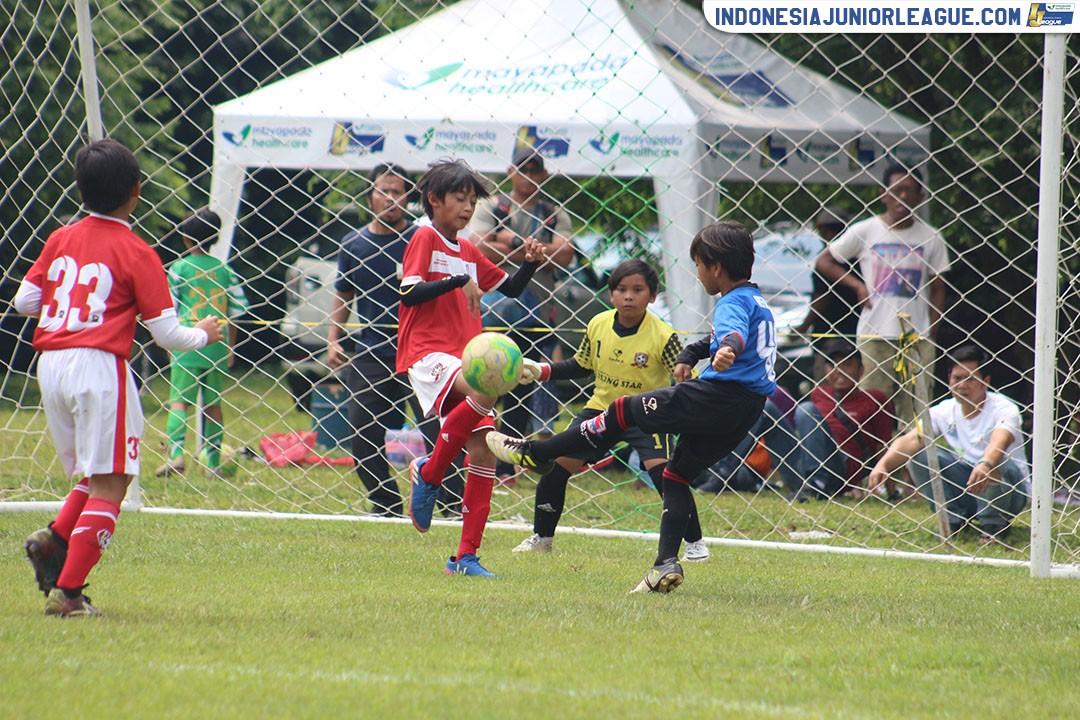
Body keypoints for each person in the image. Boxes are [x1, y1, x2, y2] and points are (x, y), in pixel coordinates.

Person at [488, 220, 776, 593]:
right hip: (748, 409)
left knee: (625, 409)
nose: (698, 273)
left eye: (699, 265)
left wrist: (727, 351)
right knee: (675, 477)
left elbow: (732, 334)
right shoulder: (757, 300)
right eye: (621, 289)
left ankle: (535, 450)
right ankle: (664, 565)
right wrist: (695, 352)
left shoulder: (729, 304)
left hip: (717, 396)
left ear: (715, 267)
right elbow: (723, 336)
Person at [16, 139, 224, 617]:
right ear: (136, 190)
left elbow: (27, 302)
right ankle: (69, 595)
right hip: (99, 367)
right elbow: (168, 335)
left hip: (51, 365)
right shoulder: (137, 251)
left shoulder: (60, 238)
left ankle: (55, 540)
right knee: (113, 483)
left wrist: (67, 307)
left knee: (92, 474)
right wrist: (206, 334)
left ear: (80, 188)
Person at [399, 158, 546, 578]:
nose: (467, 208)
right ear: (434, 201)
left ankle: (465, 558)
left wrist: (531, 263)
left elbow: (511, 289)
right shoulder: (424, 237)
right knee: (487, 387)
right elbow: (409, 294)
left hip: (463, 354)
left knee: (483, 453)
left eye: (471, 200)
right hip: (429, 354)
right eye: (459, 199)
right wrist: (457, 282)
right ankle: (429, 473)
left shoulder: (467, 249)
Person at [511, 259, 710, 562]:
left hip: (647, 415)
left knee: (668, 478)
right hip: (602, 411)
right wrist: (541, 370)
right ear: (611, 294)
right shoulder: (598, 325)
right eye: (621, 289)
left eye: (638, 290)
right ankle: (542, 538)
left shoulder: (663, 335)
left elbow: (683, 377)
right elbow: (580, 365)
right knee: (557, 466)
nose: (629, 296)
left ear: (653, 296)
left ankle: (695, 544)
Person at [326, 164, 460, 517]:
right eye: (383, 191)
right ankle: (385, 503)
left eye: (398, 191)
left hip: (423, 354)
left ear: (409, 198)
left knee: (442, 432)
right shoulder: (353, 244)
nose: (390, 198)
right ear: (370, 196)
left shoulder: (425, 238)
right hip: (371, 351)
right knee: (362, 434)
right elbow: (344, 294)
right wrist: (333, 339)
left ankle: (448, 503)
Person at [815, 163, 950, 426]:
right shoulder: (867, 230)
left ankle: (910, 466)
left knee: (914, 411)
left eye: (910, 191)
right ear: (883, 194)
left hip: (916, 339)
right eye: (896, 190)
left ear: (921, 197)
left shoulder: (931, 237)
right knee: (872, 408)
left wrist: (931, 330)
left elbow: (937, 287)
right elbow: (825, 260)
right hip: (874, 334)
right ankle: (874, 466)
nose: (903, 197)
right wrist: (857, 285)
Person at [470, 149, 574, 478]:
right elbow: (477, 245)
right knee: (483, 384)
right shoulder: (492, 205)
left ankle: (507, 467)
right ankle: (476, 458)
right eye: (523, 169)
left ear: (543, 175)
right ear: (511, 170)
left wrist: (505, 241)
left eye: (535, 170)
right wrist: (530, 249)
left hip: (538, 314)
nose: (529, 176)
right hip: (493, 312)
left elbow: (565, 254)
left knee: (521, 386)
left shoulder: (554, 213)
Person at [867, 345, 1028, 543]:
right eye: (957, 379)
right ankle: (953, 519)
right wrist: (884, 465)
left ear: (985, 382)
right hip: (968, 484)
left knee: (997, 461)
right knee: (918, 456)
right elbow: (912, 439)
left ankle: (993, 524)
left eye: (970, 379)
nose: (962, 385)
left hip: (1008, 490)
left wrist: (985, 463)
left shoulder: (1004, 408)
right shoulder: (943, 410)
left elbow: (1000, 441)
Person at [156, 209, 248, 478]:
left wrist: (170, 341)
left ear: (185, 238)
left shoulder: (179, 268)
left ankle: (176, 456)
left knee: (179, 402)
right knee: (213, 404)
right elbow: (237, 312)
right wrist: (230, 346)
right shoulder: (225, 270)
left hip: (188, 341)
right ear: (216, 239)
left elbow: (169, 307)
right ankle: (213, 462)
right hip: (217, 344)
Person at [795, 208, 857, 382]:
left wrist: (803, 326)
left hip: (829, 334)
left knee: (827, 386)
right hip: (855, 331)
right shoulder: (859, 259)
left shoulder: (827, 261)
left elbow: (822, 298)